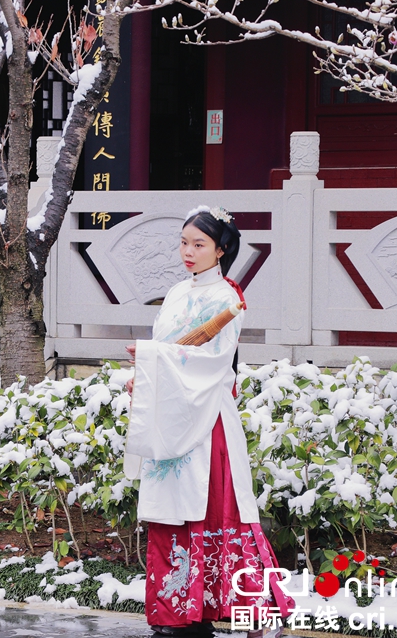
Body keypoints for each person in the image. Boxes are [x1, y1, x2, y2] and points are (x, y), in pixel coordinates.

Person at [124, 205, 293, 638]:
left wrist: (152, 359)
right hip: (172, 413)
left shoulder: (228, 298)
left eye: (199, 244)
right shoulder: (178, 293)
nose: (188, 251)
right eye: (183, 242)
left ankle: (251, 610)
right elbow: (168, 347)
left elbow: (213, 362)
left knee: (219, 510)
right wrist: (145, 374)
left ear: (221, 249)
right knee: (172, 513)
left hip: (207, 418)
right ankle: (177, 613)